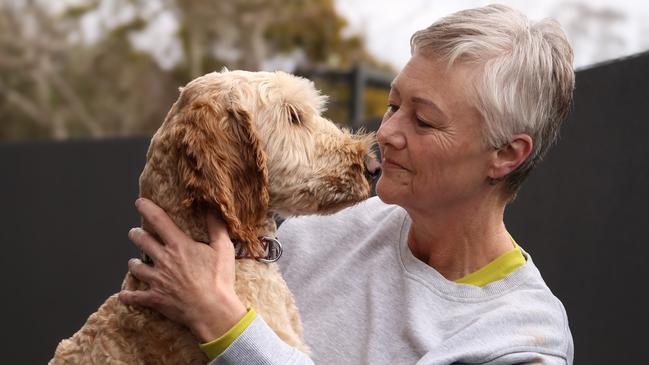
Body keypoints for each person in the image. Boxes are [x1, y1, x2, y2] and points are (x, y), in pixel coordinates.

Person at [119, 4, 575, 364]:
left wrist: (224, 324)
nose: (387, 133)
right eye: (394, 105)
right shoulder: (326, 230)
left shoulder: (520, 340)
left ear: (506, 154)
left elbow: (226, 327)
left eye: (423, 120)